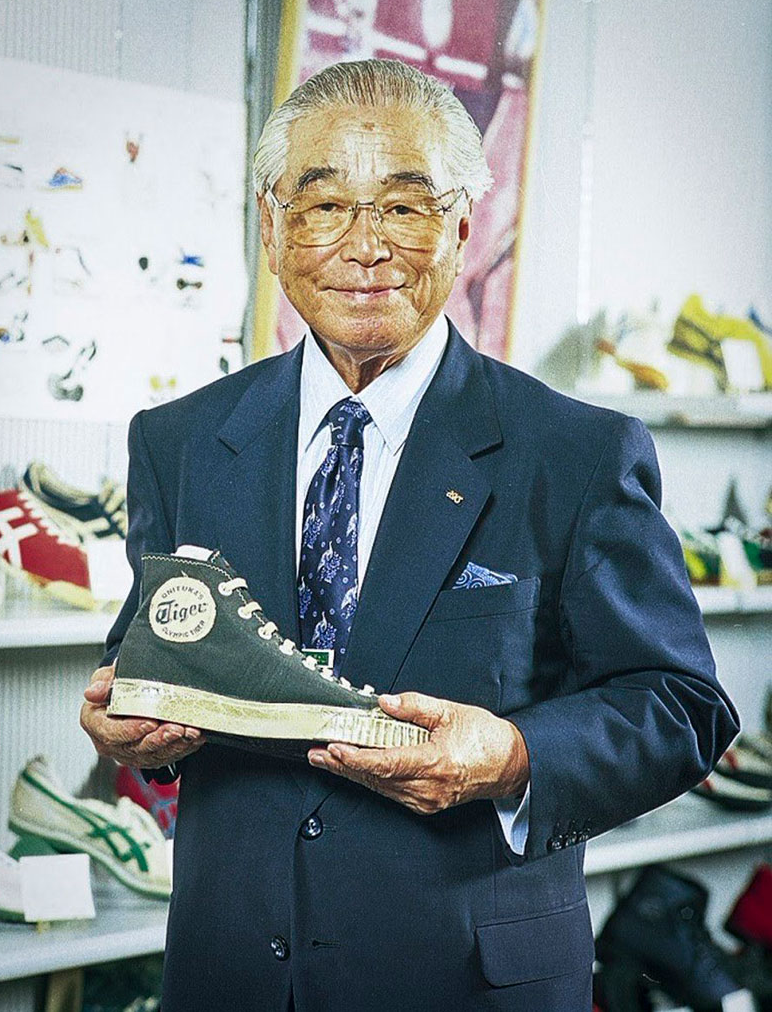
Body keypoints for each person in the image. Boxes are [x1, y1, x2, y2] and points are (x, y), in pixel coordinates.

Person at [81, 59, 738, 1012]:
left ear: (463, 226)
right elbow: (157, 649)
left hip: (464, 981)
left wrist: (512, 757)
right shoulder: (179, 440)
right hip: (229, 971)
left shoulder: (577, 452)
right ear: (271, 227)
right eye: (324, 206)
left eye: (405, 206)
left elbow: (681, 705)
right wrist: (129, 725)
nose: (366, 246)